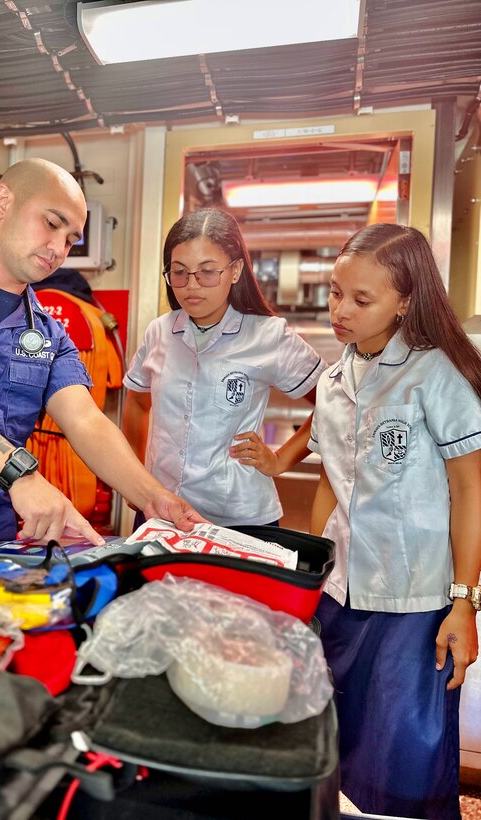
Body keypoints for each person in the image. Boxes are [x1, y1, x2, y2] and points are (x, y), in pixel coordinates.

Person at [0, 158, 204, 567]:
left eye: (71, 239)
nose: (60, 248)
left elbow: (86, 421)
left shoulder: (49, 333)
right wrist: (19, 473)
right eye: (51, 223)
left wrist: (155, 498)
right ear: (3, 201)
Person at [308, 223, 481, 819]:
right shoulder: (333, 382)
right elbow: (329, 482)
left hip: (416, 601)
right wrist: (311, 578)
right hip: (340, 595)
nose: (340, 310)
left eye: (361, 299)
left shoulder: (437, 374)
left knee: (404, 757)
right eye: (334, 293)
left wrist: (464, 601)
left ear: (405, 300)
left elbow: (470, 487)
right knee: (337, 750)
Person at [122, 208, 326, 528]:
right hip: (162, 511)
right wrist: (133, 479)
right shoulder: (159, 332)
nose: (191, 285)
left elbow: (334, 402)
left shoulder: (267, 335)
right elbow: (136, 402)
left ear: (235, 270)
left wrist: (280, 460)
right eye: (179, 272)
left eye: (206, 271)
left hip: (238, 517)